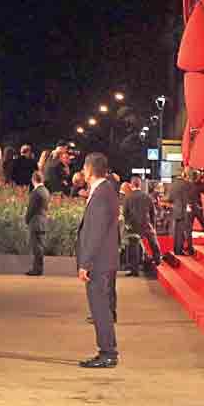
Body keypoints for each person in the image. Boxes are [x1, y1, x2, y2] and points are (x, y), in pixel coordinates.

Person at [76, 152, 121, 368]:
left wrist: (86, 263)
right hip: (104, 260)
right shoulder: (105, 191)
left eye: (85, 168)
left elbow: (96, 232)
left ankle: (107, 353)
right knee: (101, 307)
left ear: (91, 169)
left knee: (100, 309)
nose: (83, 172)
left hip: (99, 262)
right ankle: (108, 351)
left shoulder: (102, 193)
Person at [122, 175, 162, 276]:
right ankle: (158, 261)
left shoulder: (128, 197)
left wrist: (128, 224)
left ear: (131, 185)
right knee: (153, 243)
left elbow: (125, 213)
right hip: (146, 224)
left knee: (133, 248)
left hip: (133, 227)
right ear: (140, 184)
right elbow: (153, 212)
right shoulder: (147, 196)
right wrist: (152, 225)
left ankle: (134, 270)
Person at [24, 170, 50, 276]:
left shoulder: (36, 192)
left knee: (36, 247)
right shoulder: (45, 191)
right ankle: (38, 268)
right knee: (40, 246)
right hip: (42, 220)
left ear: (33, 179)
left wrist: (26, 219)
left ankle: (36, 269)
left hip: (35, 221)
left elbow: (31, 209)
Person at [168, 168, 194, 255]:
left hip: (176, 211)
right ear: (183, 174)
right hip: (185, 211)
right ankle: (187, 250)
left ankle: (177, 250)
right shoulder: (187, 184)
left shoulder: (173, 185)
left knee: (177, 232)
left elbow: (170, 198)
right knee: (185, 232)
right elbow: (191, 199)